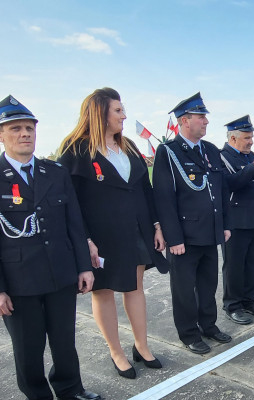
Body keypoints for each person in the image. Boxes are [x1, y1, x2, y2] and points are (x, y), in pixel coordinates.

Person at [0, 95, 102, 400]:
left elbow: (74, 222)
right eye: (16, 128)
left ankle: (70, 388)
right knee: (27, 346)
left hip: (60, 272)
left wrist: (83, 266)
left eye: (29, 127)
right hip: (18, 278)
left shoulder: (53, 172)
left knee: (63, 338)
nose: (25, 133)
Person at [57, 87, 169, 378]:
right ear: (100, 113)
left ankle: (141, 346)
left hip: (136, 229)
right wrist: (85, 240)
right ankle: (116, 352)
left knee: (135, 286)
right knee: (103, 291)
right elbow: (69, 201)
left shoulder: (129, 146)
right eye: (118, 110)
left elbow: (146, 188)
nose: (124, 115)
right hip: (100, 236)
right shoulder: (75, 151)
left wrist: (156, 225)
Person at [152, 93, 234, 355]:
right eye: (201, 117)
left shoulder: (210, 150)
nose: (206, 121)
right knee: (185, 289)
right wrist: (173, 238)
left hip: (210, 231)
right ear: (185, 121)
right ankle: (189, 333)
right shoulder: (169, 151)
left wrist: (225, 223)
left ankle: (208, 325)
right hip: (185, 237)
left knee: (208, 284)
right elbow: (164, 198)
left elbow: (221, 191)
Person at [218, 115, 254, 325]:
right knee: (234, 266)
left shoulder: (249, 157)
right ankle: (232, 305)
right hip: (236, 222)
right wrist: (253, 167)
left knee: (252, 264)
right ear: (233, 139)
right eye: (247, 137)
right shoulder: (223, 157)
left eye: (251, 137)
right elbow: (230, 184)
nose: (251, 141)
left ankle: (249, 300)